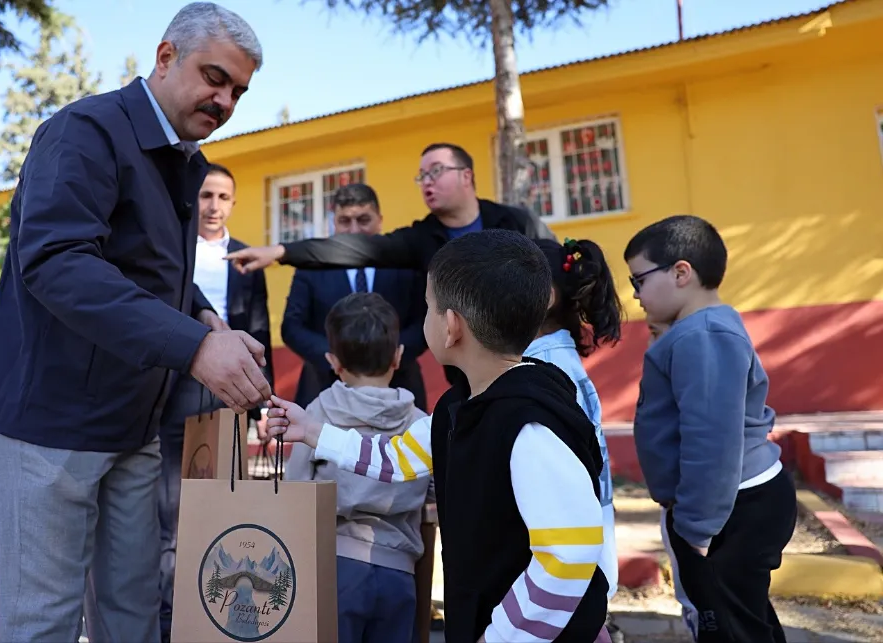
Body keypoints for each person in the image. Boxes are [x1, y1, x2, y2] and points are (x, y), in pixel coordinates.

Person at [0, 4, 270, 641]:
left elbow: (147, 269)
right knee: (43, 624)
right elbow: (57, 261)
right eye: (214, 77)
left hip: (132, 428)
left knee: (131, 619)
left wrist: (205, 317)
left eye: (238, 91)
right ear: (165, 57)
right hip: (48, 427)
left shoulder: (182, 159)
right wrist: (193, 349)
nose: (225, 100)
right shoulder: (85, 131)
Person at [265, 229, 611, 642]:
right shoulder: (458, 406)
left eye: (427, 307)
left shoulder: (529, 424)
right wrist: (313, 432)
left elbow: (569, 555)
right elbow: (394, 458)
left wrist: (500, 636)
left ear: (450, 327)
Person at [227, 143, 557, 389]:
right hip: (467, 380)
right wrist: (281, 250)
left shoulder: (517, 222)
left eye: (437, 171)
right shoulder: (421, 238)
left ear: (466, 175)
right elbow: (356, 248)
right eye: (422, 175)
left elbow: (555, 277)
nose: (427, 181)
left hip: (535, 362)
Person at [624, 215, 796, 643]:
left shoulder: (702, 337)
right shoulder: (692, 331)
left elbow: (712, 442)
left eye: (639, 280)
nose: (636, 295)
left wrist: (698, 527)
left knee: (729, 627)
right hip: (727, 505)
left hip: (729, 509)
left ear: (681, 273)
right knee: (742, 619)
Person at [157, 162, 274, 643]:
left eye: (223, 197)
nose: (213, 206)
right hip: (174, 381)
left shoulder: (245, 258)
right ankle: (167, 614)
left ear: (233, 203)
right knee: (169, 505)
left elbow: (261, 329)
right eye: (206, 195)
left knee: (225, 498)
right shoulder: (174, 246)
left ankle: (218, 605)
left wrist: (261, 403)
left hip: (231, 390)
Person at [284, 292, 432, 643]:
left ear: (333, 362)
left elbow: (295, 489)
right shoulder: (420, 423)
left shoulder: (316, 414)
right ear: (398, 357)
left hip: (335, 569)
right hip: (400, 574)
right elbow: (433, 489)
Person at [526, 237, 624, 636]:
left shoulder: (542, 371)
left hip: (570, 559)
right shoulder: (554, 359)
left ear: (544, 297)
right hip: (584, 549)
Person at [282, 183, 427, 410]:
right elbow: (291, 326)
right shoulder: (310, 267)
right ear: (334, 222)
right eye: (344, 221)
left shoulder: (406, 263)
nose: (354, 230)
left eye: (363, 220)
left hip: (398, 388)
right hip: (324, 386)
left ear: (380, 220)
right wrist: (338, 358)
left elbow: (424, 321)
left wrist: (387, 356)